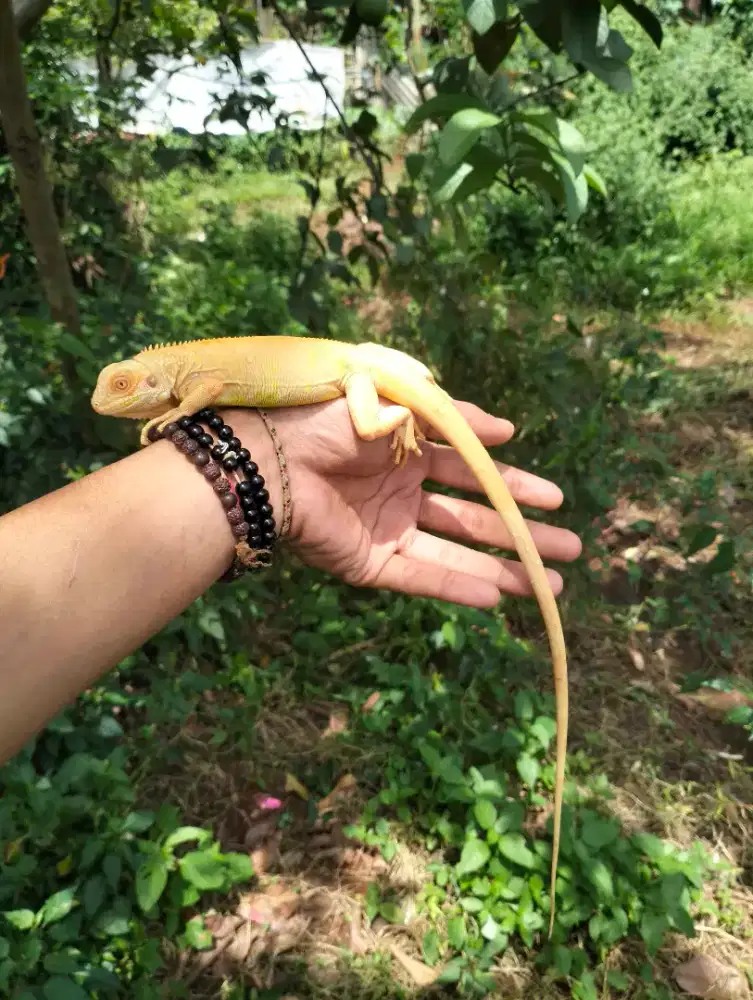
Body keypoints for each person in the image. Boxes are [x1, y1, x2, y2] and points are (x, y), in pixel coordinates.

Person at [0, 396, 582, 766]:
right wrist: (255, 458)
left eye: (126, 388)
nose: (111, 402)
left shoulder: (192, 384)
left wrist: (210, 439)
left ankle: (399, 420)